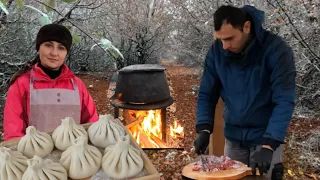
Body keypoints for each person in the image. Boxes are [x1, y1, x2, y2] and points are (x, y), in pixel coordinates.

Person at [193, 5, 296, 180]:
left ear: (246, 27)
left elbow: (284, 100)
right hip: (233, 139)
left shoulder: (276, 51)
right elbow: (207, 94)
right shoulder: (217, 52)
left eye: (230, 38)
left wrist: (270, 144)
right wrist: (204, 128)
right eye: (221, 39)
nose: (224, 46)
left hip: (264, 139)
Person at [4, 24, 99, 141]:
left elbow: (92, 124)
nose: (54, 53)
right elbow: (13, 133)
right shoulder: (21, 85)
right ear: (39, 48)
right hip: (34, 157)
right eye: (48, 45)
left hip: (73, 154)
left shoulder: (77, 85)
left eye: (61, 48)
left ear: (66, 53)